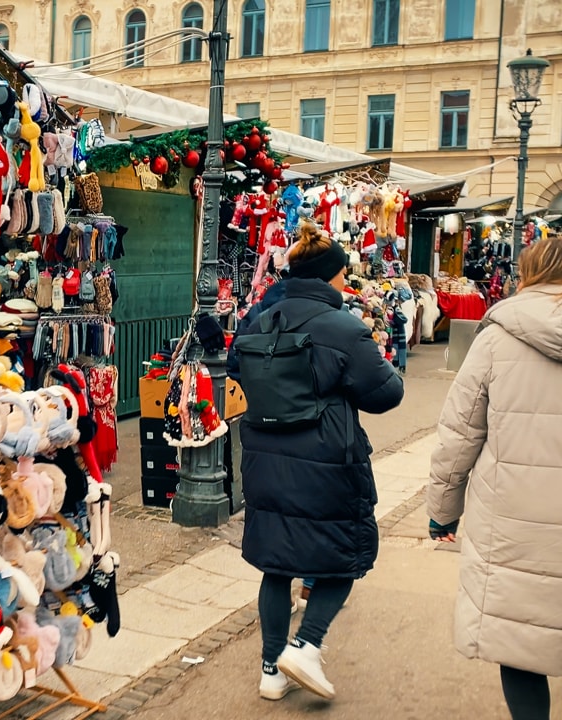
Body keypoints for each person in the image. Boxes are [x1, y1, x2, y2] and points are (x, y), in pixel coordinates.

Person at [229, 222, 404, 702]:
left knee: (276, 562)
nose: (347, 283)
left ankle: (271, 670)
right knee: (343, 556)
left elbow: (237, 367)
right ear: (332, 276)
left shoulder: (260, 318)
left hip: (264, 457)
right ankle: (305, 646)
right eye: (345, 275)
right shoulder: (345, 327)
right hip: (326, 458)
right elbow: (387, 394)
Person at [428, 235, 562, 720]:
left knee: (521, 640)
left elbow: (459, 435)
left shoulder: (498, 337)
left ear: (526, 277)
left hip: (513, 523)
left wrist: (441, 513)